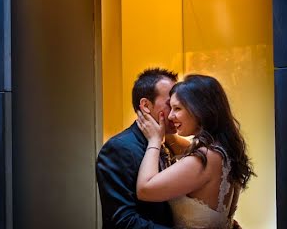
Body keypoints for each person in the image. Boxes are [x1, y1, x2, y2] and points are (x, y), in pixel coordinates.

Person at [134, 74, 254, 229]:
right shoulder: (222, 149)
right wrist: (166, 133)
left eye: (177, 108)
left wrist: (154, 140)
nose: (170, 116)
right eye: (170, 107)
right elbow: (182, 147)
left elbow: (145, 190)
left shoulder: (204, 157)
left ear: (200, 110)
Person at [96, 68, 184, 228]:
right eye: (170, 105)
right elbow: (123, 221)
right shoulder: (119, 148)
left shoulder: (172, 144)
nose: (174, 113)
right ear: (145, 105)